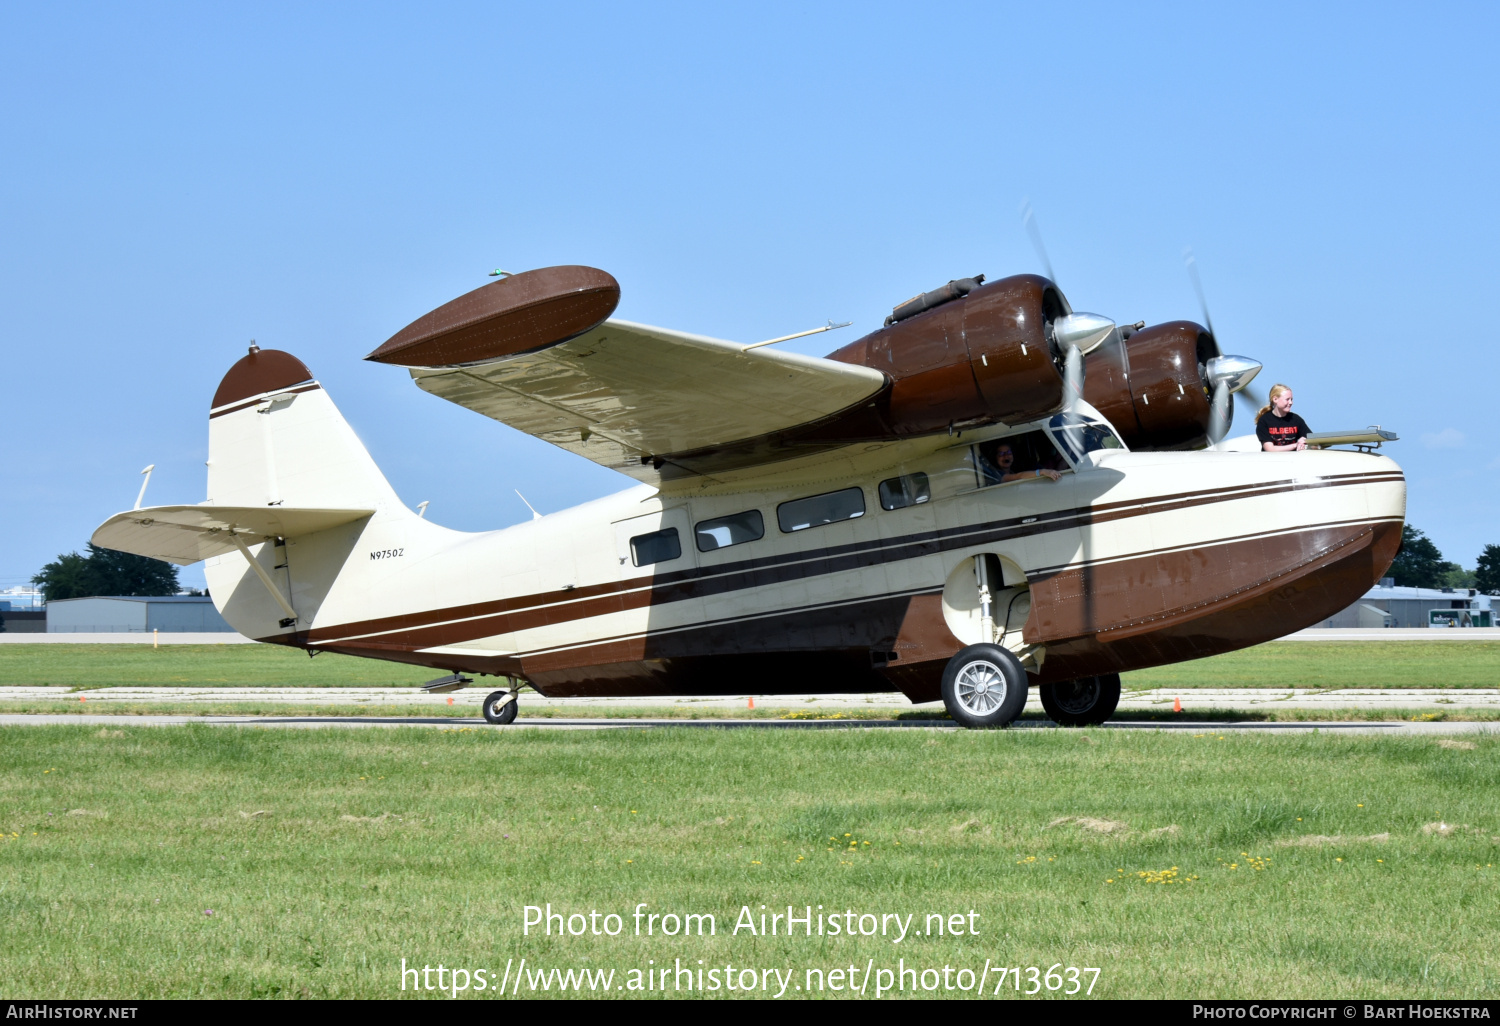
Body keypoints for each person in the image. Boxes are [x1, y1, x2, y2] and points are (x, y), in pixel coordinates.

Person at [1255, 384, 1311, 452]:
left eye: (1291, 399)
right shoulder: (1264, 421)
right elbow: (1270, 449)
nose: (1291, 402)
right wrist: (1295, 445)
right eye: (1287, 399)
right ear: (1275, 399)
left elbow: (1312, 439)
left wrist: (1304, 440)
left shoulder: (1296, 419)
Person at [987, 441, 1062, 483]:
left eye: (1009, 453)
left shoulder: (1013, 471)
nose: (1006, 456)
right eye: (1001, 454)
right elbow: (1018, 476)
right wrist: (1042, 472)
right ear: (995, 457)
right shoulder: (996, 474)